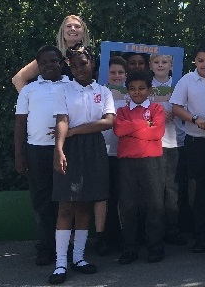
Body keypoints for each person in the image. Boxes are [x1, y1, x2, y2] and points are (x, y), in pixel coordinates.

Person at [51, 45, 115, 284]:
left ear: (93, 63)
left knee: (85, 205)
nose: (79, 68)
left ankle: (79, 258)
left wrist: (75, 131)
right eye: (75, 64)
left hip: (93, 148)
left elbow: (107, 121)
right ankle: (60, 264)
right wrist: (59, 148)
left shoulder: (104, 91)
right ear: (69, 65)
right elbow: (62, 119)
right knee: (66, 206)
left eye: (84, 63)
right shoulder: (64, 90)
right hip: (69, 149)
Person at [14, 46, 71, 266]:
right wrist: (19, 155)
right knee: (42, 202)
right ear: (38, 66)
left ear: (61, 63)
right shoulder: (29, 90)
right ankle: (46, 247)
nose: (49, 65)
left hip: (66, 150)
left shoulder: (71, 86)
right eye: (44, 62)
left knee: (66, 201)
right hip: (36, 151)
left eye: (54, 61)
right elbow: (20, 122)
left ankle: (65, 248)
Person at [113, 70, 167, 264]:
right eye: (132, 89)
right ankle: (130, 249)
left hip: (151, 161)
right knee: (128, 206)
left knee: (154, 206)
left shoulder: (157, 109)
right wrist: (144, 125)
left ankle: (155, 248)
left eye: (141, 88)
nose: (137, 92)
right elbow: (119, 129)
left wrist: (132, 128)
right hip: (127, 163)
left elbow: (157, 133)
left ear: (149, 90)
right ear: (127, 91)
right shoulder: (121, 111)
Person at [170, 44, 205, 253]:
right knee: (198, 190)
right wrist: (195, 119)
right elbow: (176, 107)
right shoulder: (187, 80)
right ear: (195, 62)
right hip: (195, 143)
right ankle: (201, 236)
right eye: (201, 60)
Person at [149, 53, 186, 246]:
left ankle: (173, 230)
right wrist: (156, 114)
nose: (160, 65)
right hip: (154, 143)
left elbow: (186, 107)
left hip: (176, 142)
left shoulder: (180, 85)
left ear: (171, 64)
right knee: (156, 190)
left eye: (164, 62)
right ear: (151, 65)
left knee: (172, 189)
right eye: (156, 62)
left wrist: (176, 112)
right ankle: (156, 233)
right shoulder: (146, 87)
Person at [96, 56, 130, 255]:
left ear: (125, 75)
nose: (117, 76)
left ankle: (124, 238)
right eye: (113, 72)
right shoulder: (99, 93)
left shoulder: (132, 95)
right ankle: (107, 238)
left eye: (120, 73)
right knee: (105, 196)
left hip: (124, 153)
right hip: (103, 151)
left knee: (122, 197)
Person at [11, 15, 90, 92]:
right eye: (68, 26)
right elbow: (18, 78)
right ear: (62, 32)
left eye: (77, 26)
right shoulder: (51, 56)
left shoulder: (92, 58)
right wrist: (30, 101)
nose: (73, 29)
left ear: (84, 32)